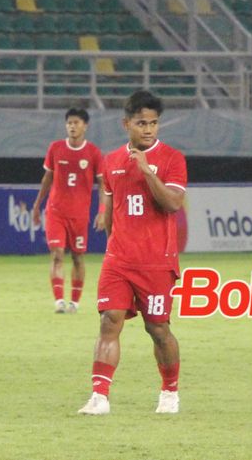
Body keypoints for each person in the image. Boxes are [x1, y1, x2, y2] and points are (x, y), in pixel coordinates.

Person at [77, 90, 187, 415]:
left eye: (154, 123)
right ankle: (99, 397)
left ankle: (170, 391)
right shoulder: (111, 162)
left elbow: (172, 204)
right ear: (127, 123)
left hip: (156, 262)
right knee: (109, 321)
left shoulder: (172, 159)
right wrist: (112, 246)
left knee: (158, 328)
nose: (149, 129)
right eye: (142, 123)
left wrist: (148, 171)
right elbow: (111, 210)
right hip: (119, 260)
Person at [32, 108, 105, 314]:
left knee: (78, 257)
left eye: (76, 123)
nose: (72, 126)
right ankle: (59, 302)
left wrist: (101, 211)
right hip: (56, 211)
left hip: (79, 215)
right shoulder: (55, 148)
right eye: (69, 123)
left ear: (85, 126)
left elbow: (103, 185)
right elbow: (47, 179)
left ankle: (74, 301)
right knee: (56, 254)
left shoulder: (93, 153)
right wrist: (38, 205)